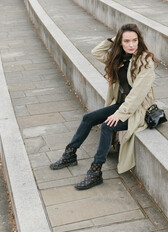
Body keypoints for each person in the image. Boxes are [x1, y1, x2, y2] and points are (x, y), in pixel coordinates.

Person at [50, 23, 156, 190]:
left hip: (138, 110)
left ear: (139, 41)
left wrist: (119, 115)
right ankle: (70, 154)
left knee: (108, 125)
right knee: (88, 118)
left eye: (134, 40)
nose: (131, 45)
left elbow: (137, 96)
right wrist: (113, 39)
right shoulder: (120, 57)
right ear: (120, 42)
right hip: (123, 104)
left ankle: (96, 171)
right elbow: (96, 52)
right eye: (126, 41)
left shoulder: (146, 62)